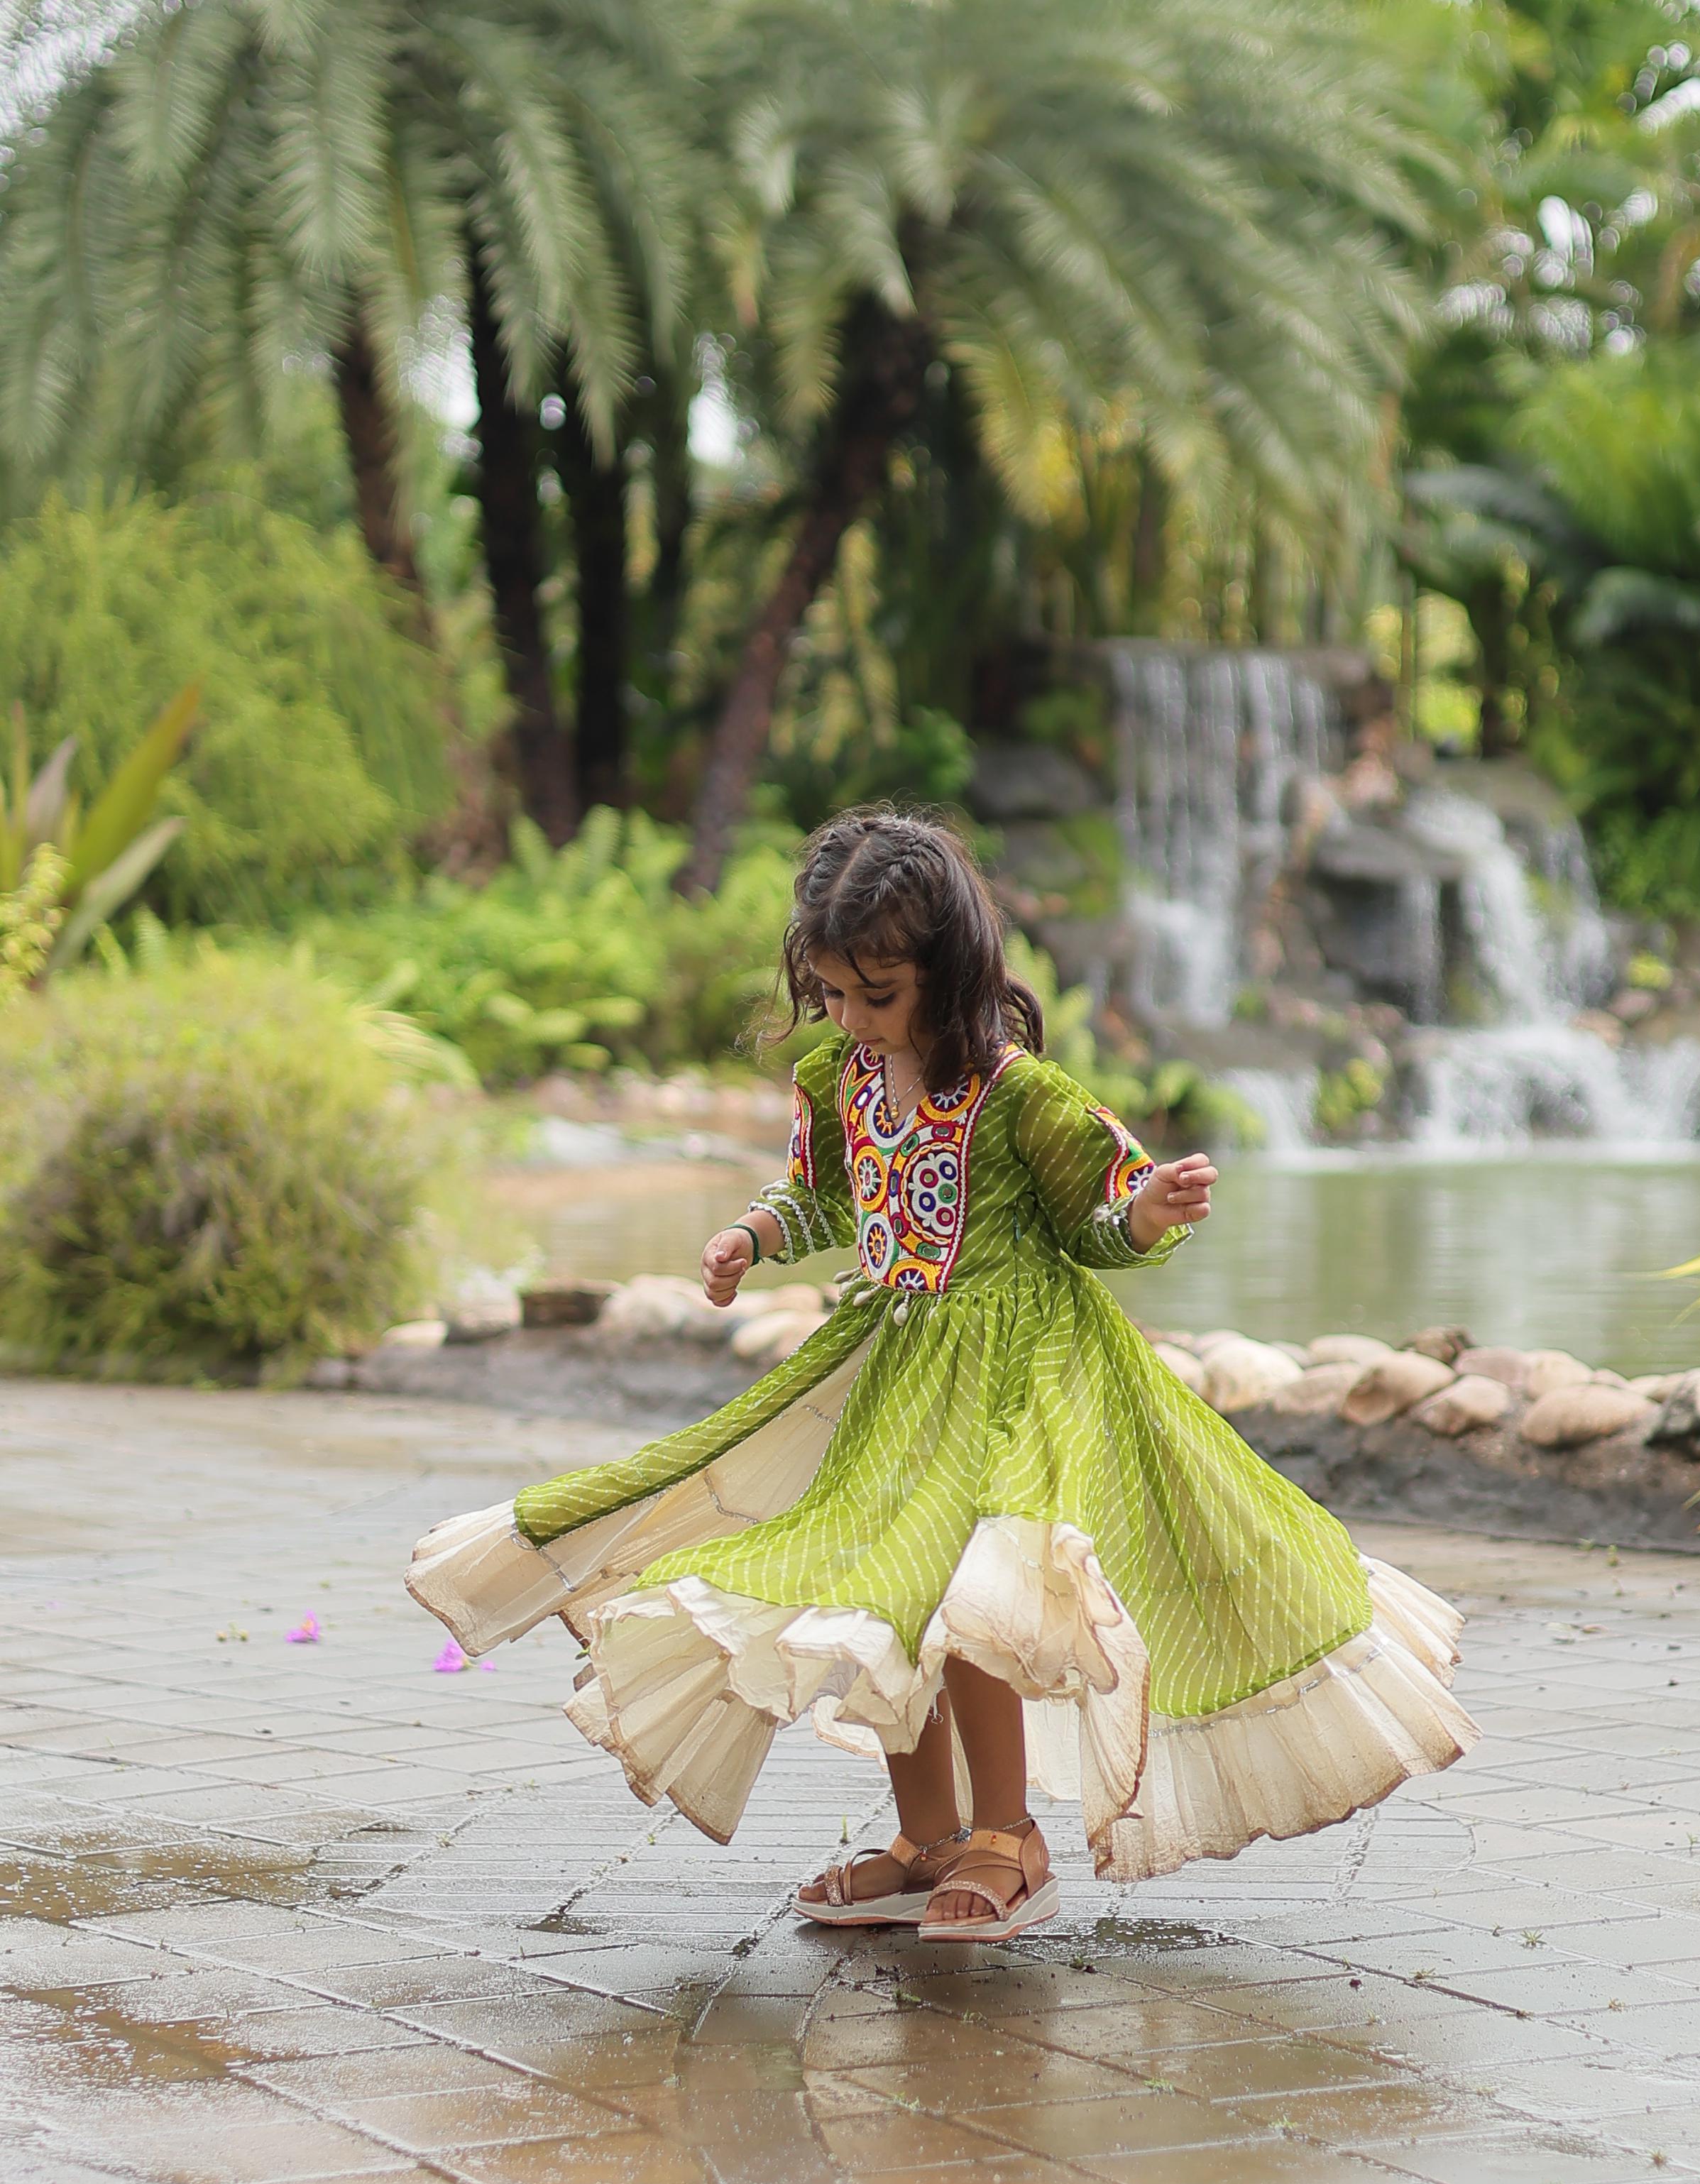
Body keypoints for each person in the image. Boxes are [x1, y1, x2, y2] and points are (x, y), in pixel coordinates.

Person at [409, 811, 1476, 1943]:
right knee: (884, 1594)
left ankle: (1007, 1841)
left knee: (977, 1597)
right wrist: (753, 1238)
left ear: (947, 971)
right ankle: (926, 1843)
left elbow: (1096, 1224)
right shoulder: (841, 1083)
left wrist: (1147, 1212)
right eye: (832, 994)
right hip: (896, 1372)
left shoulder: (1020, 1097)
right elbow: (826, 1198)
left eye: (878, 996)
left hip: (1018, 1378)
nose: (853, 1021)